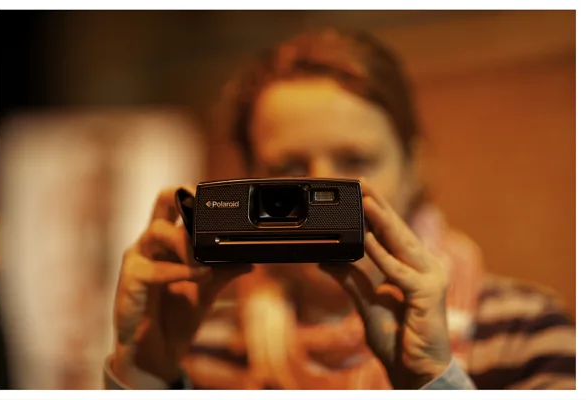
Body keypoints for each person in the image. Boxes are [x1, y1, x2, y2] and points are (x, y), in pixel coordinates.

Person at [104, 28, 576, 390]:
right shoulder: (199, 346)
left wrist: (432, 379)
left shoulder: (528, 335)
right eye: (288, 169)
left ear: (414, 168)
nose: (319, 190)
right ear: (249, 180)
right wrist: (145, 373)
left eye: (355, 161)